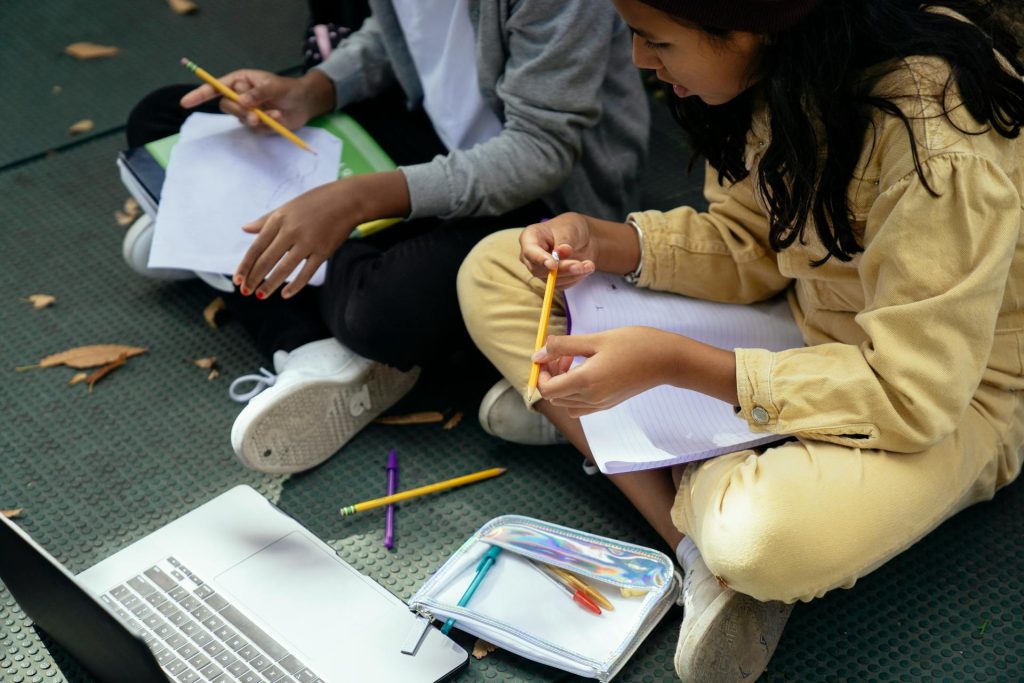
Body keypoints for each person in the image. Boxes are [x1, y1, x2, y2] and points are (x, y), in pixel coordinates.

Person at [457, 0, 1024, 679]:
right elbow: (753, 246)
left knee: (757, 537)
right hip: (801, 324)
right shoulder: (786, 63)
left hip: (950, 400)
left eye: (655, 39)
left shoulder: (939, 135)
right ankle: (694, 553)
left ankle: (613, 441)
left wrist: (670, 363)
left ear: (746, 25)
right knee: (494, 269)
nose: (640, 59)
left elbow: (913, 392)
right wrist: (607, 240)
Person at [120, 0, 648, 474]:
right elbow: (394, 34)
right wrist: (312, 90)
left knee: (383, 311)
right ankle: (300, 320)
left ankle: (234, 256)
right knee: (167, 117)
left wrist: (356, 199)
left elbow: (540, 152)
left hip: (545, 203)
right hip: (425, 137)